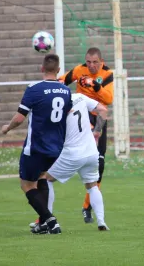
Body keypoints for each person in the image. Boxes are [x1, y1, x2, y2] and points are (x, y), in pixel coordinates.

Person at [2, 54, 72, 234]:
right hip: (56, 147)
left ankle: (50, 220)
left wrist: (7, 128)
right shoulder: (65, 90)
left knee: (26, 184)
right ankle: (43, 224)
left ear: (42, 68)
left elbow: (19, 118)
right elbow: (68, 112)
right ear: (58, 70)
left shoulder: (34, 89)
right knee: (41, 178)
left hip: (36, 147)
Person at [60, 47, 113, 223]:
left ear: (101, 61)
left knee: (100, 164)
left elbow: (109, 99)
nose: (91, 65)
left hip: (99, 117)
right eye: (88, 62)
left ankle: (86, 206)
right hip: (80, 117)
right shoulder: (78, 70)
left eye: (95, 62)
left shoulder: (107, 74)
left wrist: (95, 86)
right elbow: (61, 81)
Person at [43, 93, 110, 231]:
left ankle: (46, 221)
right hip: (91, 151)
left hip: (73, 153)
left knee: (45, 180)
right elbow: (103, 110)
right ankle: (101, 222)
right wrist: (97, 131)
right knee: (92, 186)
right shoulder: (80, 97)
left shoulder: (57, 106)